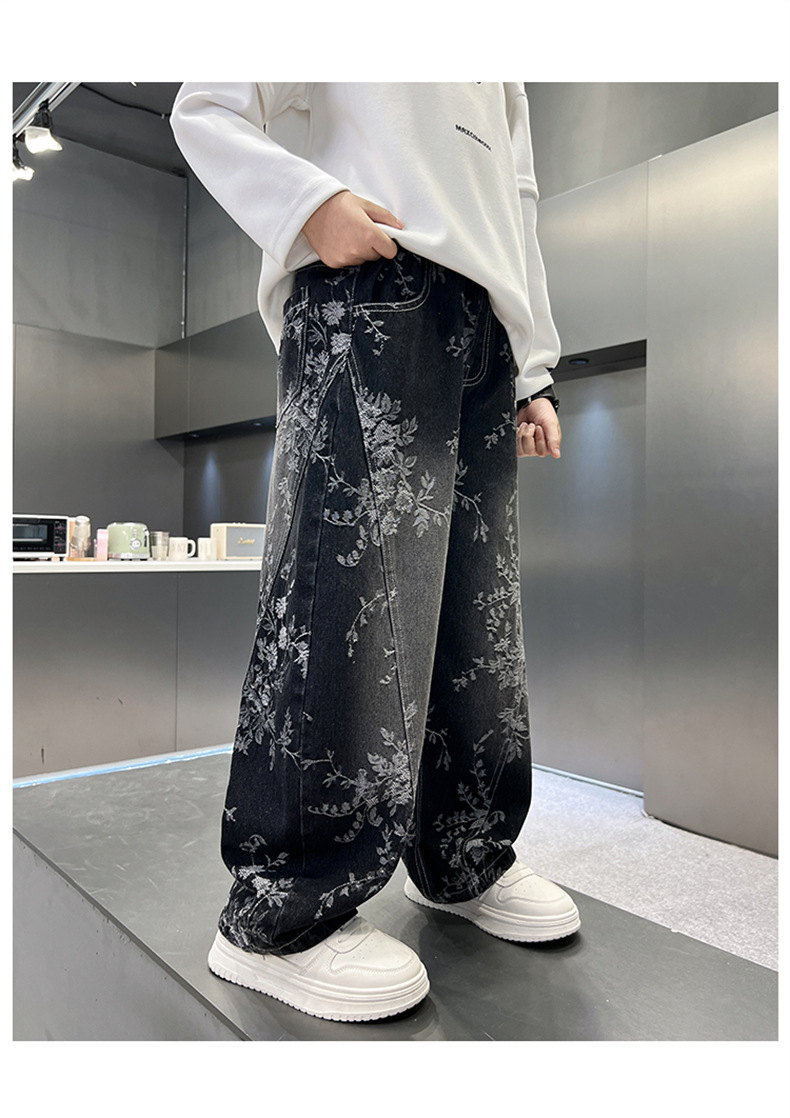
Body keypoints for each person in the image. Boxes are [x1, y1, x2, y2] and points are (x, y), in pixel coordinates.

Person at [170, 82, 580, 1023]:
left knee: (476, 623)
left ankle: (464, 857)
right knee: (344, 601)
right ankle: (281, 912)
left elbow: (515, 198)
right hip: (372, 285)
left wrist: (534, 366)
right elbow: (208, 102)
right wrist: (308, 205)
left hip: (486, 331)